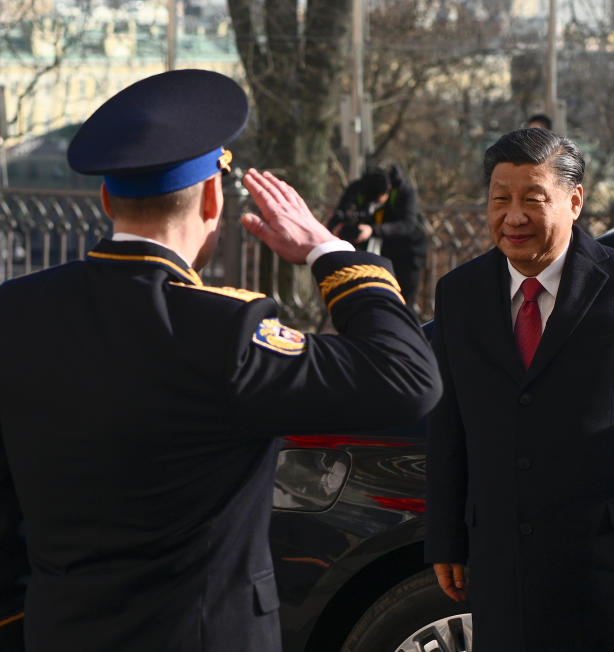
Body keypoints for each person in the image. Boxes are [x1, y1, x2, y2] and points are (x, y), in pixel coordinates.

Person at [0, 69, 441, 652]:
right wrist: (330, 252)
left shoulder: (16, 312)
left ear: (106, 198)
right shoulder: (225, 332)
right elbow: (407, 378)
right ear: (213, 198)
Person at [426, 128, 614, 651]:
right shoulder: (459, 294)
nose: (513, 216)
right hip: (504, 564)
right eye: (500, 199)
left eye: (532, 200)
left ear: (575, 201)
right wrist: (446, 535)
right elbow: (449, 424)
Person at [328, 165, 426, 306]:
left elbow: (408, 225)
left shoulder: (404, 191)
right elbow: (339, 214)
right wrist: (337, 227)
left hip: (409, 253)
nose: (372, 205)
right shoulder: (358, 188)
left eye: (376, 201)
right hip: (380, 254)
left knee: (404, 304)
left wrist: (372, 230)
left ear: (389, 188)